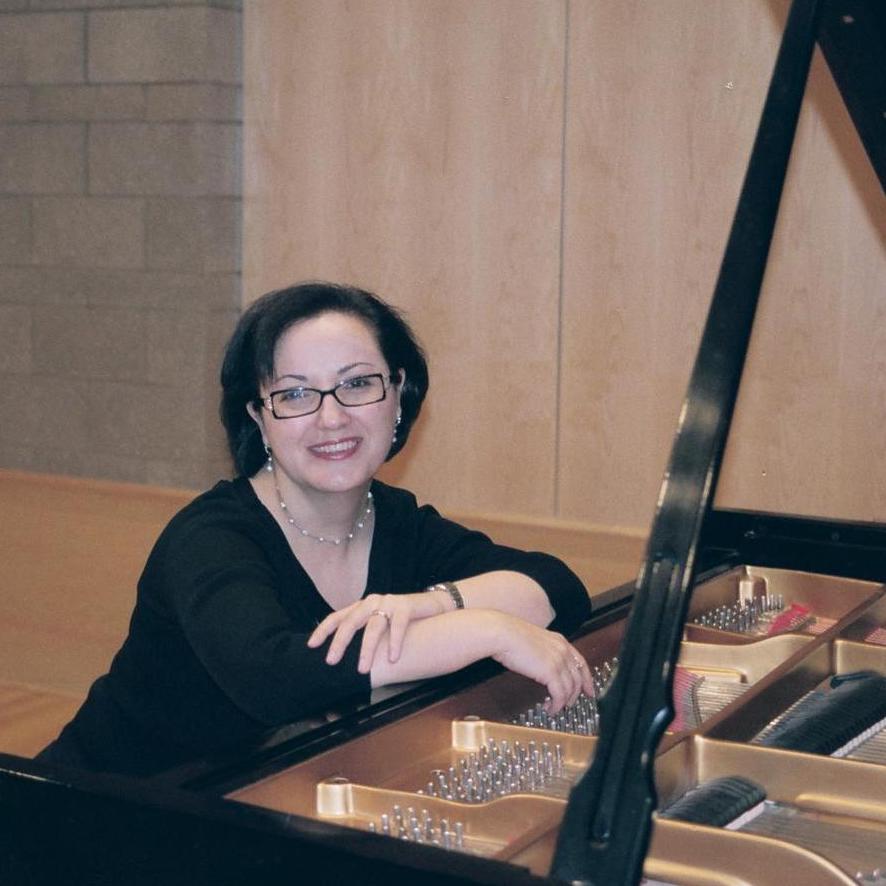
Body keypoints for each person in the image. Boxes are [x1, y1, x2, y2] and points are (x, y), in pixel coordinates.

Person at [37, 281, 593, 777]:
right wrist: (487, 630)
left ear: (398, 394)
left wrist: (433, 604)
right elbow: (278, 679)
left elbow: (556, 586)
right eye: (296, 394)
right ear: (258, 417)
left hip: (254, 806)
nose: (332, 417)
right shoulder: (209, 537)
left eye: (358, 384)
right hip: (101, 813)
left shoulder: (393, 520)